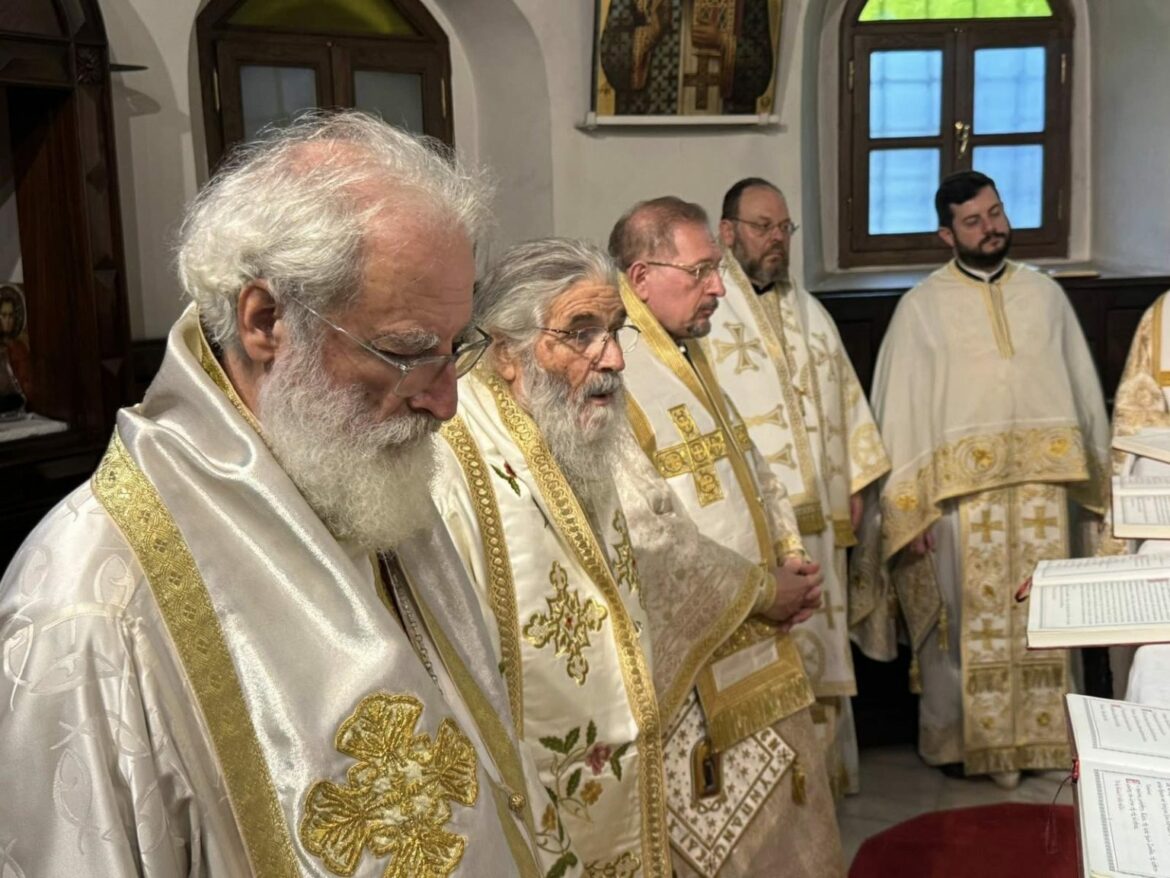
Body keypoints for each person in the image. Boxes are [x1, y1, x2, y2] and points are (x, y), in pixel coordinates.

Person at [0, 112, 559, 876]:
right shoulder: (90, 609)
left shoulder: (367, 480)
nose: (446, 402)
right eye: (406, 352)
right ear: (265, 321)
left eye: (454, 347)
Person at [434, 238, 803, 876]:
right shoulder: (452, 463)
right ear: (507, 352)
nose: (612, 358)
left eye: (614, 331)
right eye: (580, 334)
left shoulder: (579, 430)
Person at [609, 197, 846, 877]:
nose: (718, 286)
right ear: (642, 276)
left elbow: (750, 465)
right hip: (695, 671)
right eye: (701, 271)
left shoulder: (683, 354)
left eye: (717, 268)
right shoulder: (619, 371)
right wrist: (762, 590)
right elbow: (646, 532)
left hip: (759, 643)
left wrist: (791, 557)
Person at [851, 170, 1110, 788]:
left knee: (1049, 619)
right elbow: (901, 413)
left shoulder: (1046, 296)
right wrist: (907, 512)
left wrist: (1095, 496)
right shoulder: (921, 309)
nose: (991, 228)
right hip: (958, 508)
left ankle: (1050, 742)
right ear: (947, 234)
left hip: (1045, 494)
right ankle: (964, 745)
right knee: (962, 630)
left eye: (995, 213)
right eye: (973, 221)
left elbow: (1083, 400)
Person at [708, 177, 890, 795]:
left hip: (821, 529)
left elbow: (846, 405)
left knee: (824, 658)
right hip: (755, 537)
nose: (777, 239)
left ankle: (829, 788)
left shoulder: (811, 312)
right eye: (763, 226)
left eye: (784, 228)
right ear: (728, 232)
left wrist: (854, 485)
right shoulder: (708, 313)